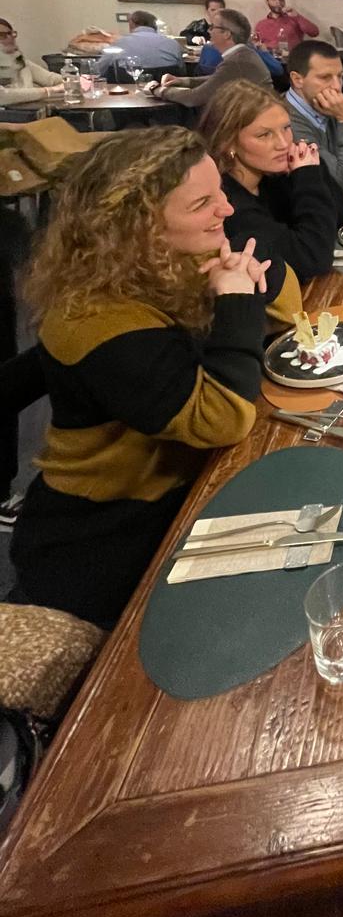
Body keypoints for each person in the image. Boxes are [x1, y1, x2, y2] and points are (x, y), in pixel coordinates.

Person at [8, 129, 267, 629]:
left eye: (220, 192)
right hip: (104, 535)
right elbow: (221, 420)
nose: (228, 209)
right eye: (202, 204)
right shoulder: (99, 320)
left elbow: (283, 310)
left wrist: (243, 279)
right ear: (137, 227)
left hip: (174, 493)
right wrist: (238, 300)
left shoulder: (165, 266)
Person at [198, 82, 341, 324]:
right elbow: (313, 258)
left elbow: (337, 216)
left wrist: (313, 166)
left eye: (286, 128)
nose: (283, 143)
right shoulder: (229, 205)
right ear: (228, 143)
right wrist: (307, 176)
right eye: (264, 135)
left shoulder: (270, 178)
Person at [284, 39, 343, 193]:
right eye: (325, 77)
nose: (337, 87)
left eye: (339, 76)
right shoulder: (287, 122)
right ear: (297, 79)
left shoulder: (326, 105)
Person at [155, 9, 271, 111]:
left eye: (212, 27)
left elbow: (194, 98)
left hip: (254, 120)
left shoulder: (235, 62)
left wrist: (159, 90)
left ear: (226, 34)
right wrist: (182, 81)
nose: (208, 31)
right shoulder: (243, 54)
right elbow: (216, 79)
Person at [0, 17, 64, 108]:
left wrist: (75, 81)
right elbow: (2, 96)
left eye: (10, 33)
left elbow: (52, 79)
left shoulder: (22, 63)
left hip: (27, 113)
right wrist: (48, 91)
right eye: (2, 35)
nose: (10, 38)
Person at [103, 11, 184, 79]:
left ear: (131, 24)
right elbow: (182, 71)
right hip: (165, 89)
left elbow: (101, 69)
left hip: (128, 90)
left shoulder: (120, 43)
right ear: (155, 26)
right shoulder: (173, 43)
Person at [253, 0, 319, 54]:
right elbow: (255, 45)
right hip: (270, 59)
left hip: (293, 58)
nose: (278, 1)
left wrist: (297, 16)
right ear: (267, 2)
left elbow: (314, 32)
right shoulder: (260, 25)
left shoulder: (294, 18)